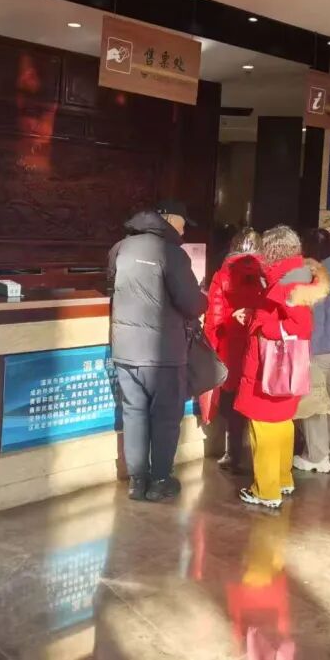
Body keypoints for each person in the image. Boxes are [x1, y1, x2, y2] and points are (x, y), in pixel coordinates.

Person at [109, 200, 207, 503]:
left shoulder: (120, 248)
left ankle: (137, 482)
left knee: (134, 414)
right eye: (182, 224)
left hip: (125, 351)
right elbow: (192, 304)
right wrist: (203, 297)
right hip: (163, 353)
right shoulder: (172, 253)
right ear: (169, 220)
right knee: (165, 417)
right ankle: (160, 480)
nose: (183, 231)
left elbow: (111, 285)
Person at [235, 225, 330, 509]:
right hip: (285, 371)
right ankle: (282, 479)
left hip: (270, 370)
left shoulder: (286, 283)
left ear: (273, 252)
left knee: (264, 428)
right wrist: (255, 314)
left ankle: (266, 491)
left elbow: (301, 325)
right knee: (282, 424)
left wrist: (262, 326)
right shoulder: (296, 276)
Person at [202, 228, 264, 474]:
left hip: (230, 347)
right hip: (259, 346)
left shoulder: (223, 275)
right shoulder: (265, 274)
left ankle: (234, 453)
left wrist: (211, 347)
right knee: (259, 399)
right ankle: (262, 454)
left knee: (232, 401)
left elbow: (213, 317)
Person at [293, 228, 330, 473]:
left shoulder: (317, 273)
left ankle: (317, 456)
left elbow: (314, 315)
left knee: (314, 401)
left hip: (319, 347)